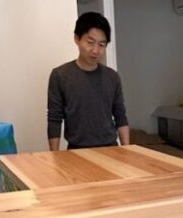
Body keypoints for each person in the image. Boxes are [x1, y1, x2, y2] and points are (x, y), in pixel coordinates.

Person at [47, 12, 130, 150]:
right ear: (77, 39)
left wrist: (127, 150)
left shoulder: (112, 77)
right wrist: (54, 155)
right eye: (90, 42)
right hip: (77, 150)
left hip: (111, 149)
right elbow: (54, 119)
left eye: (102, 45)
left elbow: (120, 116)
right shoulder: (60, 75)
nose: (95, 50)